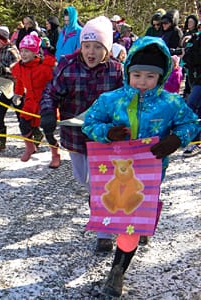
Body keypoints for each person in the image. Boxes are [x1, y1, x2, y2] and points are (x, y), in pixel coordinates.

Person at [82, 36, 199, 298]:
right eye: (137, 75)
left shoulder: (171, 103)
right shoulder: (111, 100)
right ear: (127, 72)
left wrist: (175, 139)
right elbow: (89, 123)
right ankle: (139, 229)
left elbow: (191, 124)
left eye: (150, 76)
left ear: (161, 76)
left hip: (148, 176)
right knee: (112, 211)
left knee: (130, 225)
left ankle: (117, 272)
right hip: (112, 172)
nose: (142, 82)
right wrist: (107, 132)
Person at [40, 16, 123, 252]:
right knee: (84, 180)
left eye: (98, 47)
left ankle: (104, 231)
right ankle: (97, 200)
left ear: (107, 48)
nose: (91, 52)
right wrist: (47, 113)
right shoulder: (68, 66)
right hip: (75, 137)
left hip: (104, 138)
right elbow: (50, 93)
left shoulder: (116, 71)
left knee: (100, 184)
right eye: (87, 46)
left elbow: (128, 100)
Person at [11, 34, 56, 164]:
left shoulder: (44, 67)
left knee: (48, 129)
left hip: (45, 101)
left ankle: (55, 154)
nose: (23, 54)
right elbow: (19, 81)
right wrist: (17, 94)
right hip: (30, 101)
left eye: (27, 51)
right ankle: (30, 147)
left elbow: (53, 84)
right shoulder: (20, 67)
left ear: (35, 52)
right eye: (22, 51)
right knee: (23, 124)